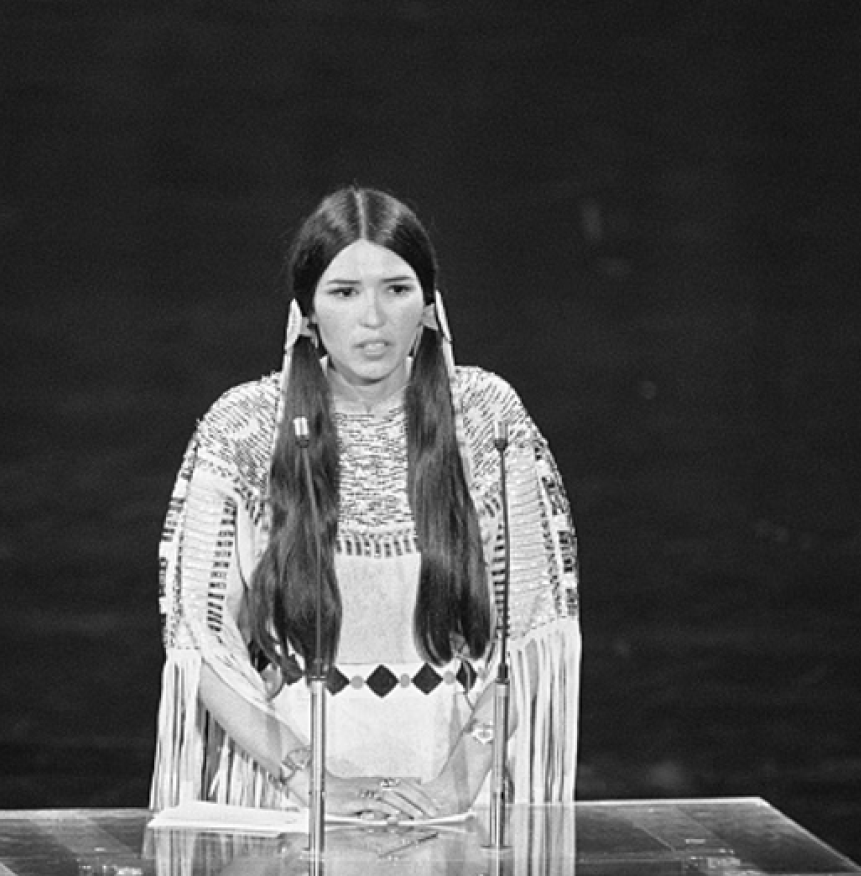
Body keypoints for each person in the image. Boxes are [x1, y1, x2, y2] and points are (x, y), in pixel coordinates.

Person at [149, 186, 579, 820]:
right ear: (308, 309)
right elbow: (197, 633)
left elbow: (536, 625)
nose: (373, 319)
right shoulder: (243, 427)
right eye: (345, 291)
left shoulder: (488, 418)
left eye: (397, 289)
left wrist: (455, 786)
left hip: (454, 797)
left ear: (430, 306)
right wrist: (306, 778)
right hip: (287, 801)